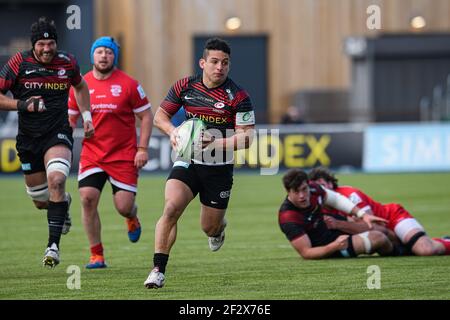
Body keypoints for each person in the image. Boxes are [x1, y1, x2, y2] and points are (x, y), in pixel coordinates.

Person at [144, 38, 255, 288]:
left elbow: (247, 137)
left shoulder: (238, 96)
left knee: (209, 227)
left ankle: (218, 229)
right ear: (203, 62)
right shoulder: (186, 86)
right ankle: (158, 270)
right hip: (188, 160)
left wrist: (214, 143)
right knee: (171, 208)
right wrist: (173, 133)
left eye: (225, 63)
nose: (220, 67)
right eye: (214, 62)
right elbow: (160, 116)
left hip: (219, 166)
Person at [0, 17, 94, 268]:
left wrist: (86, 116)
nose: (46, 49)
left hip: (58, 132)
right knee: (41, 201)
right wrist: (22, 104)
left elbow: (81, 87)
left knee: (57, 180)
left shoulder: (68, 62)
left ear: (56, 43)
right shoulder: (19, 62)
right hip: (28, 139)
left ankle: (53, 247)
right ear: (34, 45)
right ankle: (63, 203)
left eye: (50, 43)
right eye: (41, 44)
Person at [68, 37, 153, 269]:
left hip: (123, 155)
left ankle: (131, 218)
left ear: (114, 56)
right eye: (99, 52)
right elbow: (71, 117)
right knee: (87, 199)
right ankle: (97, 254)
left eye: (108, 52)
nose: (104, 56)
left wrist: (142, 148)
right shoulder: (80, 84)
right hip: (92, 153)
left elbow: (146, 116)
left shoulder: (129, 84)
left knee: (123, 206)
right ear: (92, 56)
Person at [308, 166, 450, 256]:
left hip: (392, 218)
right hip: (383, 235)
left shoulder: (349, 194)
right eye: (318, 187)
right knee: (414, 250)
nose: (323, 190)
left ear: (331, 183)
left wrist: (339, 225)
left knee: (426, 250)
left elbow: (375, 227)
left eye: (323, 184)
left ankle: (445, 241)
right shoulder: (318, 206)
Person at [278, 169, 392, 259]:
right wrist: (334, 246)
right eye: (296, 191)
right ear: (288, 191)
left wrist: (362, 214)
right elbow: (307, 252)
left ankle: (404, 245)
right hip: (326, 245)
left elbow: (336, 199)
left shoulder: (313, 189)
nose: (302, 195)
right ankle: (398, 252)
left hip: (329, 226)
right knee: (379, 238)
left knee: (380, 228)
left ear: (308, 185)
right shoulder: (288, 217)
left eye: (304, 189)